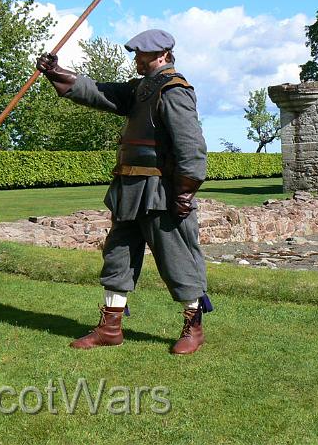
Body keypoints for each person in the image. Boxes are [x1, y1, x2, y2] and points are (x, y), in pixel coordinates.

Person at [36, 29, 212, 355]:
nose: (136, 60)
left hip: (162, 193)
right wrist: (55, 72)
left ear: (161, 55)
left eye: (141, 55)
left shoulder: (174, 91)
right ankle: (110, 328)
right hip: (129, 190)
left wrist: (185, 192)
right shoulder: (141, 89)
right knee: (117, 257)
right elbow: (98, 92)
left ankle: (193, 327)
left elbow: (192, 147)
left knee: (178, 260)